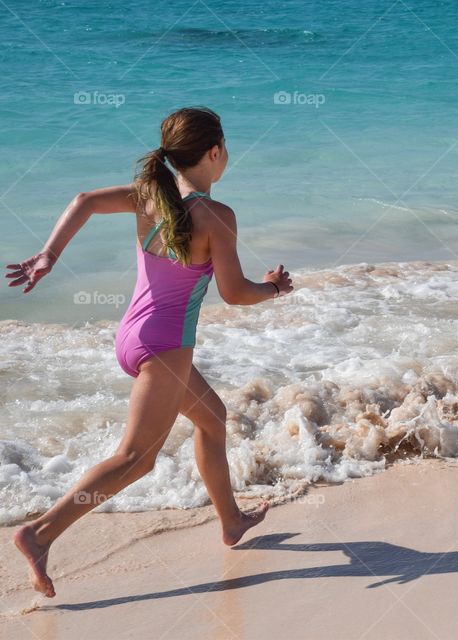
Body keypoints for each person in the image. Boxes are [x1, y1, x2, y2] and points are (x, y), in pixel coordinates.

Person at [5, 106, 293, 598]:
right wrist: (273, 289)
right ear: (215, 151)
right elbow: (234, 292)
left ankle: (231, 520)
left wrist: (49, 254)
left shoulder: (150, 198)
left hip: (132, 337)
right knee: (137, 458)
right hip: (165, 348)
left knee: (212, 418)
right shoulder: (216, 216)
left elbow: (84, 201)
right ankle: (39, 533)